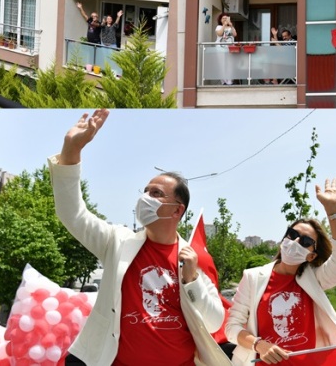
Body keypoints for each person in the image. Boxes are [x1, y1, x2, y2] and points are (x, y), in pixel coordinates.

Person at [48, 110, 229, 366]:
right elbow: (72, 213)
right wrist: (71, 152)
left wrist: (192, 280)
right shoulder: (118, 242)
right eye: (145, 191)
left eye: (156, 193)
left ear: (178, 210)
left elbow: (214, 322)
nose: (145, 198)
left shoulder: (193, 258)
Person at [226, 179, 336, 365]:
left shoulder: (315, 278)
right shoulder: (253, 277)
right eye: (292, 234)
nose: (295, 242)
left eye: (305, 242)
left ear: (311, 256)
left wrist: (332, 210)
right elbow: (232, 327)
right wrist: (259, 345)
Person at [216, 13, 237, 86]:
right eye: (223, 18)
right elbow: (219, 33)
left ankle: (230, 81)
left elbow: (234, 34)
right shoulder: (219, 27)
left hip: (230, 48)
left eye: (226, 18)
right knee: (222, 64)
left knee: (230, 64)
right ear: (220, 20)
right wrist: (224, 25)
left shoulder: (231, 27)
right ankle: (224, 81)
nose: (225, 19)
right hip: (220, 48)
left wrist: (231, 25)